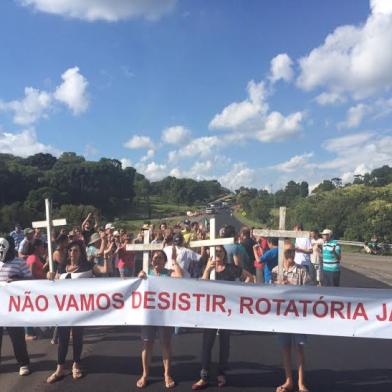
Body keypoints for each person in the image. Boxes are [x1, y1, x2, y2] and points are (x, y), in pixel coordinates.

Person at [46, 240, 109, 384]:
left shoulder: (87, 266)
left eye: (76, 250)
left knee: (77, 337)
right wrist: (50, 276)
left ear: (81, 253)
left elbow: (105, 270)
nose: (72, 253)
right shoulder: (62, 267)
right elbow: (54, 283)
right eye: (70, 250)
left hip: (80, 310)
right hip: (63, 310)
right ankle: (60, 368)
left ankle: (76, 364)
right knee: (62, 339)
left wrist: (106, 256)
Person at [192, 246, 254, 390]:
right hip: (210, 314)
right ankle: (204, 376)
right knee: (207, 344)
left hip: (227, 313)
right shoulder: (207, 268)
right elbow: (200, 286)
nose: (218, 253)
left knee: (224, 344)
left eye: (220, 251)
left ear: (224, 253)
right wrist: (207, 269)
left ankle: (221, 373)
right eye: (215, 251)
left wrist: (240, 293)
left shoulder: (232, 268)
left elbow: (250, 278)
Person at [136, 248, 183, 389]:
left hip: (164, 315)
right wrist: (139, 276)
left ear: (164, 261)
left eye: (160, 257)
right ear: (151, 260)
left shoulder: (168, 274)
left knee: (165, 344)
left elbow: (180, 279)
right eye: (155, 257)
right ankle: (145, 374)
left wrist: (174, 261)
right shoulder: (146, 274)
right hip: (148, 315)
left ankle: (167, 374)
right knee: (147, 344)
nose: (157, 260)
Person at [272, 248, 312, 392]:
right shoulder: (275, 270)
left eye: (292, 252)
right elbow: (267, 293)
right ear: (282, 253)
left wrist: (292, 288)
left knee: (299, 348)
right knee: (285, 348)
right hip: (282, 316)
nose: (291, 255)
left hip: (298, 316)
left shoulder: (301, 271)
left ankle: (301, 383)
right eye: (288, 252)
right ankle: (288, 380)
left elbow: (310, 291)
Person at [0, 236, 32, 376]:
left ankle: (23, 363)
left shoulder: (19, 262)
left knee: (17, 337)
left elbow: (30, 280)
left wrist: (19, 280)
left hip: (13, 308)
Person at [25, 239, 48, 340]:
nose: (43, 248)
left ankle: (36, 330)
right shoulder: (33, 258)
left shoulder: (36, 257)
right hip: (34, 288)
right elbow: (31, 274)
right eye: (42, 246)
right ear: (36, 247)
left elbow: (39, 270)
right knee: (30, 310)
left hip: (38, 287)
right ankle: (28, 333)